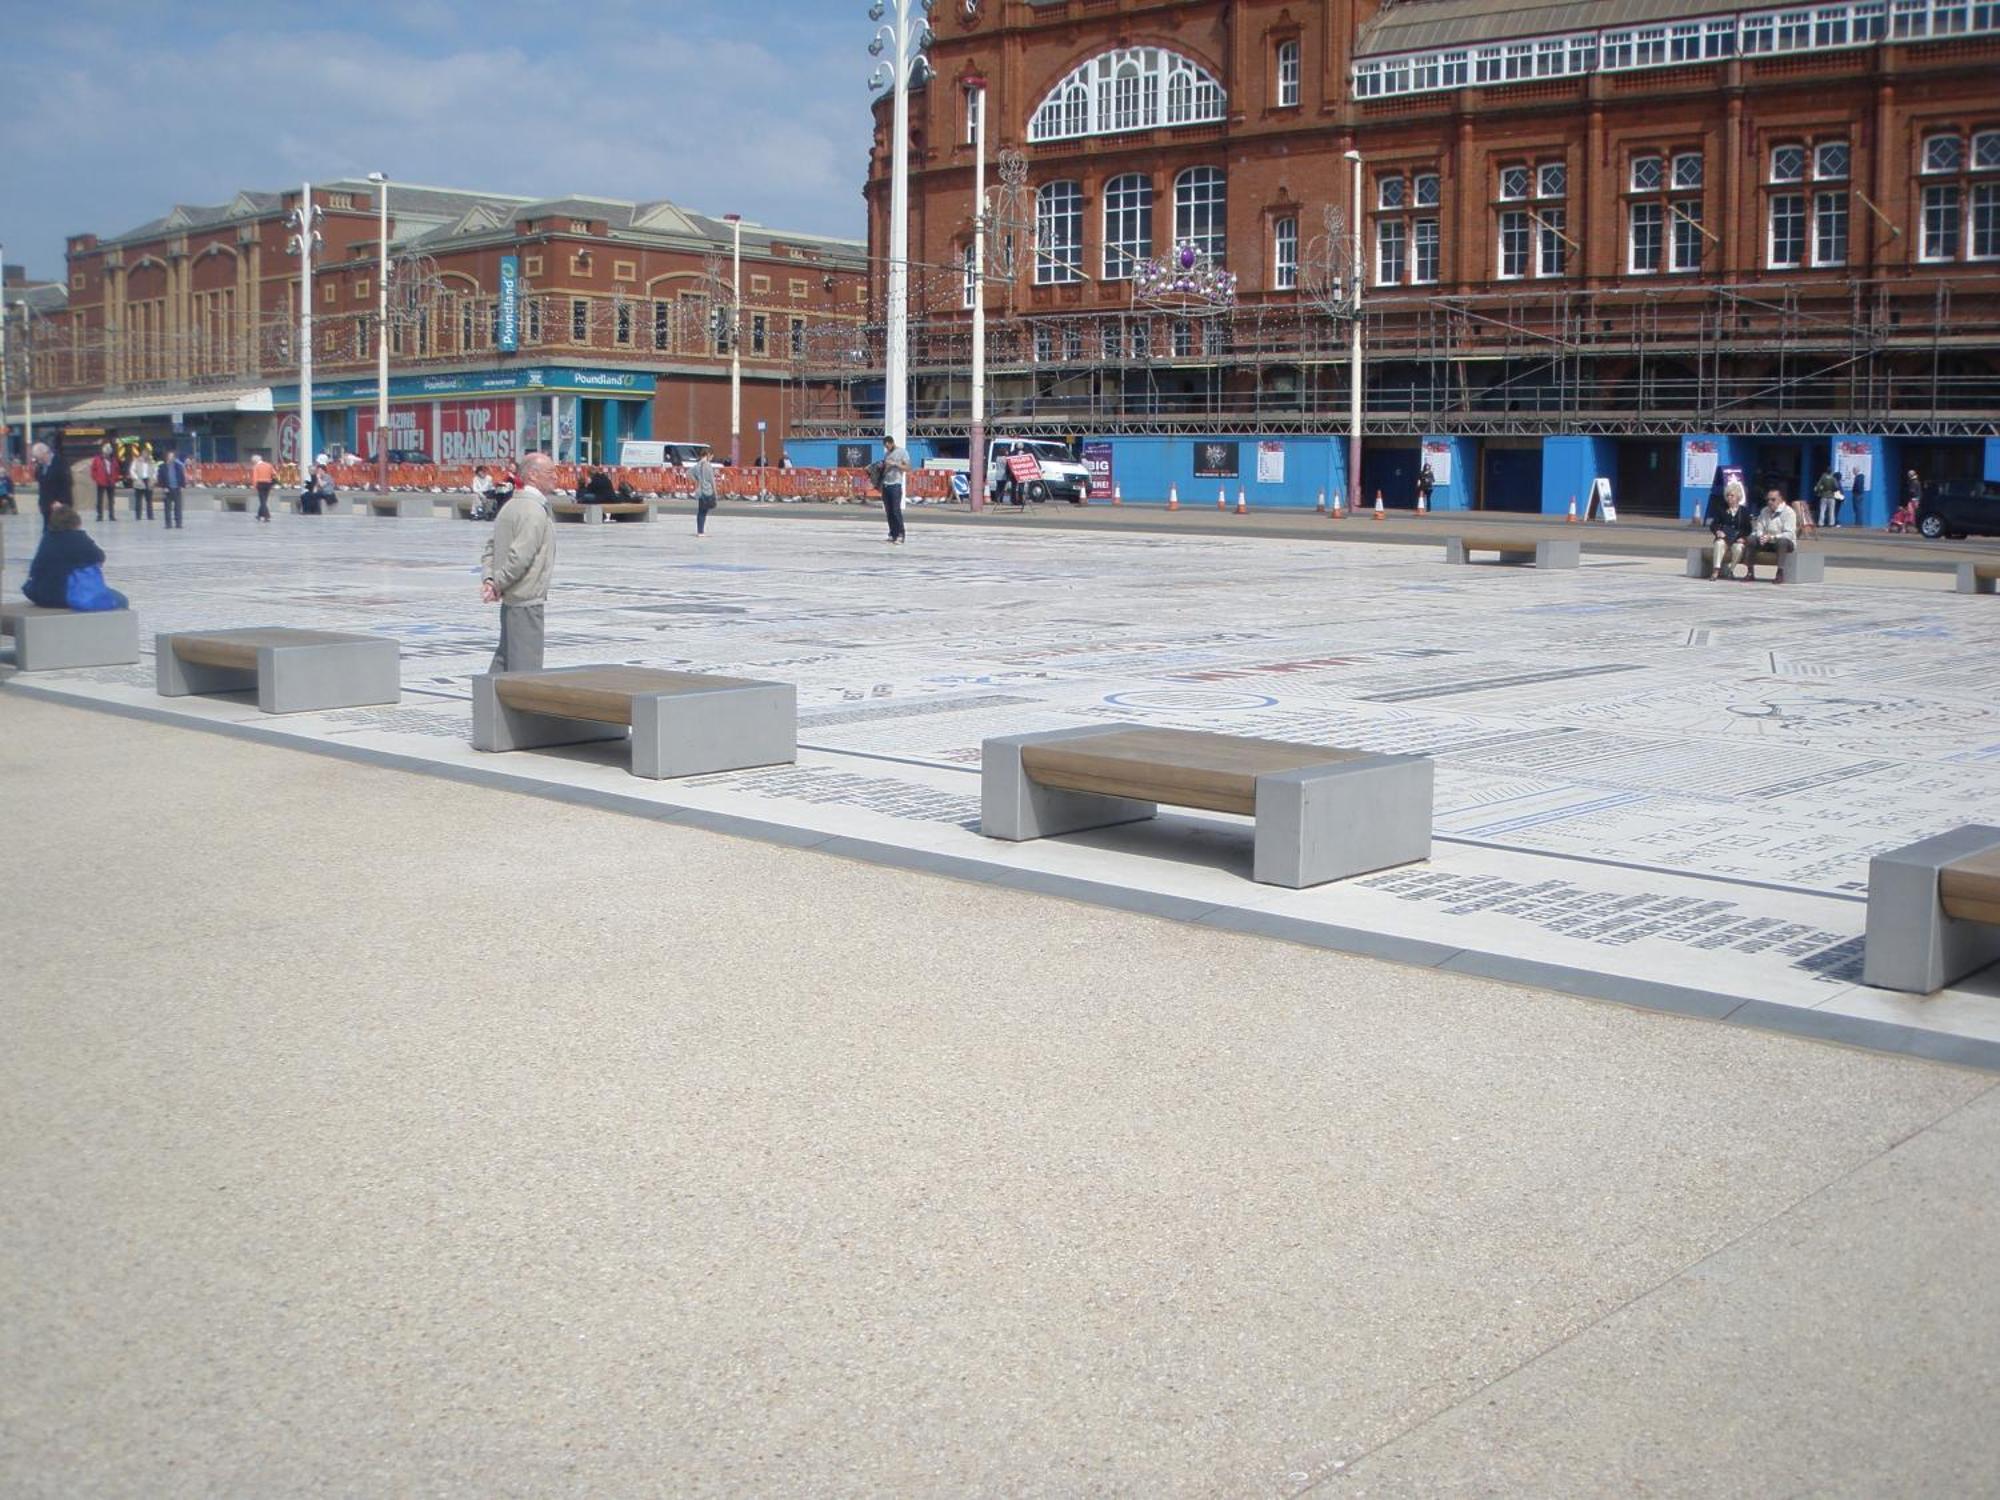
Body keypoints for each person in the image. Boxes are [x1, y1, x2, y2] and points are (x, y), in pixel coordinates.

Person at [481, 450, 556, 674]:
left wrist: (490, 578)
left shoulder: (511, 506)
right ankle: (514, 710)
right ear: (533, 475)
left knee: (504, 660)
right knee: (526, 669)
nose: (556, 477)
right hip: (526, 599)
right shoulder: (533, 511)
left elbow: (490, 549)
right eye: (550, 472)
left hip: (511, 600)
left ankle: (489, 706)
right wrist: (497, 584)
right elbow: (520, 558)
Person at [23, 505, 127, 610]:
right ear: (76, 522)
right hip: (64, 596)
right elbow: (99, 556)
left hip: (39, 594)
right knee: (122, 600)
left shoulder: (47, 537)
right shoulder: (78, 538)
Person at [1749, 488, 1799, 583]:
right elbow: (1758, 528)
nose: (1770, 502)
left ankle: (1780, 573)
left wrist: (1772, 537)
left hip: (1783, 542)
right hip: (1767, 541)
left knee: (1782, 542)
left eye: (1773, 499)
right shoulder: (1764, 511)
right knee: (1751, 539)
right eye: (1768, 499)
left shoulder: (1789, 512)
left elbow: (1789, 533)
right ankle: (1750, 572)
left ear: (1780, 499)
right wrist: (1761, 536)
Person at [1708, 482, 1754, 580]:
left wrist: (1742, 537)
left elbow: (1748, 529)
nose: (1729, 498)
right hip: (1724, 538)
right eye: (1728, 495)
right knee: (1719, 543)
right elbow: (1714, 524)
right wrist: (1718, 531)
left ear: (1738, 497)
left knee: (1739, 548)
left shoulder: (1744, 511)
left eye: (1732, 495)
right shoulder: (1721, 508)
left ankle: (1731, 570)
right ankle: (1716, 570)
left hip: (1736, 539)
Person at [31, 442, 72, 532]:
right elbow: (42, 484)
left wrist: (60, 501)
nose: (38, 460)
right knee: (47, 532)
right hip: (46, 505)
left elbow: (66, 483)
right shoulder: (41, 466)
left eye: (39, 458)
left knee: (60, 531)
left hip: (59, 505)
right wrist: (41, 502)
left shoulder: (60, 462)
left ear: (45, 453)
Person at [876, 435, 910, 543]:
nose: (887, 448)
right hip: (886, 484)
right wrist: (882, 467)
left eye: (888, 446)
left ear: (892, 443)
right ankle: (892, 533)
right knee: (889, 511)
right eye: (885, 447)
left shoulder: (902, 452)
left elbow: (907, 468)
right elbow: (885, 471)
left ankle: (901, 534)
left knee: (896, 510)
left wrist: (894, 464)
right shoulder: (887, 454)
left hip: (896, 484)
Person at [159, 443, 187, 530]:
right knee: (167, 508)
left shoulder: (178, 466)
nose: (170, 458)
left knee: (178, 507)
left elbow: (182, 476)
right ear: (167, 457)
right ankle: (168, 524)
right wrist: (164, 487)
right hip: (168, 489)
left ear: (174, 457)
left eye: (172, 456)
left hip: (177, 488)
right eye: (169, 456)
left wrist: (182, 486)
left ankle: (178, 523)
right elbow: (160, 478)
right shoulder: (162, 467)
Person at [90, 443, 120, 522]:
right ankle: (99, 516)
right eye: (105, 452)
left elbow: (117, 470)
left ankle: (111, 515)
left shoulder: (113, 460)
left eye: (108, 453)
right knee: (100, 500)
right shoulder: (97, 459)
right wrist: (96, 478)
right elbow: (93, 469)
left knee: (111, 500)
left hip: (111, 482)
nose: (106, 454)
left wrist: (115, 479)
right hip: (101, 482)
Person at [692, 449, 718, 536]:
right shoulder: (708, 465)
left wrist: (696, 481)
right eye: (711, 456)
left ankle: (700, 531)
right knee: (704, 512)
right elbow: (712, 480)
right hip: (707, 490)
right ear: (708, 455)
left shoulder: (697, 465)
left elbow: (689, 473)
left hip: (700, 491)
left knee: (700, 511)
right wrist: (715, 492)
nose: (711, 458)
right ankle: (701, 532)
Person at [129, 448, 156, 521]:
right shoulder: (136, 461)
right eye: (144, 453)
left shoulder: (151, 462)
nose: (145, 455)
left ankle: (150, 516)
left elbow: (155, 472)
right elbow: (132, 470)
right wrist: (136, 478)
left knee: (149, 500)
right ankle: (138, 516)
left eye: (147, 454)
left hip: (148, 480)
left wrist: (153, 480)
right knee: (138, 500)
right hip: (139, 481)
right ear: (142, 454)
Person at [250, 453, 276, 522]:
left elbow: (255, 478)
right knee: (264, 500)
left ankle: (267, 516)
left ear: (255, 461)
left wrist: (254, 486)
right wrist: (272, 482)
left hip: (260, 484)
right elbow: (274, 474)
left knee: (262, 501)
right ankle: (259, 515)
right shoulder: (268, 465)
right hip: (268, 484)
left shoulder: (256, 467)